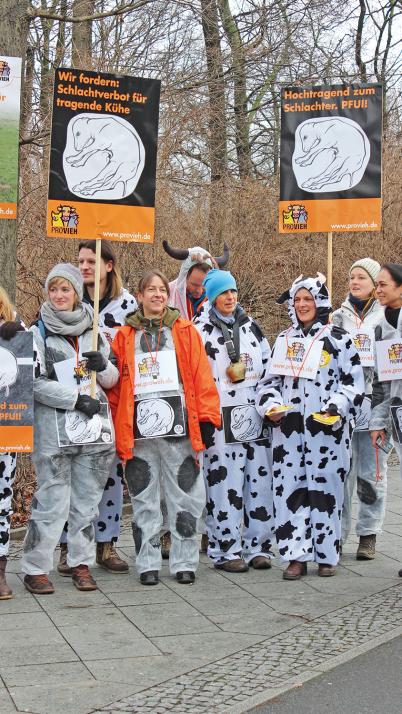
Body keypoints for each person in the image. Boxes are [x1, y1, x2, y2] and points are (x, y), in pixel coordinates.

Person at [108, 269, 221, 586]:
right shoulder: (124, 336)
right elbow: (115, 388)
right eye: (150, 290)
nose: (157, 294)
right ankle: (147, 562)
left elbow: (201, 376)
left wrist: (208, 418)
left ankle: (185, 561)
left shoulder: (184, 331)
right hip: (140, 435)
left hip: (179, 431)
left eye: (161, 289)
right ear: (140, 295)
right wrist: (117, 427)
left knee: (185, 499)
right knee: (144, 501)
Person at [257, 274, 365, 579]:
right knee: (291, 491)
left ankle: (327, 554)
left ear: (320, 303)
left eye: (308, 299)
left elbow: (354, 383)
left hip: (326, 433)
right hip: (288, 434)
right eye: (298, 300)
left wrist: (337, 406)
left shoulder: (339, 338)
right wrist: (270, 405)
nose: (303, 304)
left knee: (327, 492)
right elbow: (267, 384)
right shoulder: (283, 340)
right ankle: (296, 556)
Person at [21, 264, 118, 594]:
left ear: (77, 293)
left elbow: (113, 379)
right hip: (55, 434)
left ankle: (81, 564)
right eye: (53, 290)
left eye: (65, 290)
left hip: (94, 432)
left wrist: (103, 366)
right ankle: (35, 567)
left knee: (87, 504)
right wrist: (74, 398)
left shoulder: (94, 331)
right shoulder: (37, 334)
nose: (59, 296)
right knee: (51, 502)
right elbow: (33, 383)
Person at [58, 240, 137, 576]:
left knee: (110, 477)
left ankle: (107, 543)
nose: (84, 267)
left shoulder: (126, 305)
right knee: (72, 477)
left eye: (91, 260)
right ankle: (66, 546)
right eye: (80, 261)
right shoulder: (67, 299)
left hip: (114, 400)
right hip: (73, 400)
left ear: (108, 264)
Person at [194, 269, 274, 572]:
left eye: (233, 291)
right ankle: (226, 549)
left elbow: (270, 372)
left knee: (259, 483)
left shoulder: (252, 328)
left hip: (254, 417)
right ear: (212, 296)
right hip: (218, 421)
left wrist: (271, 405)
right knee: (222, 486)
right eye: (223, 292)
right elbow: (192, 377)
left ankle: (259, 545)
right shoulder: (198, 329)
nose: (230, 297)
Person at [332, 258, 390, 560]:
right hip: (346, 405)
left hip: (377, 402)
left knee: (371, 474)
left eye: (361, 277)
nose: (355, 282)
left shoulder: (387, 317)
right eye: (351, 277)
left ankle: (368, 535)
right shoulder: (337, 317)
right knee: (341, 473)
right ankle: (336, 535)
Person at [369, 263, 402, 578]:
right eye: (376, 284)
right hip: (397, 412)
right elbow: (380, 381)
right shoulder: (380, 327)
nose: (378, 289)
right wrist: (377, 421)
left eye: (383, 284)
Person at [0, 288, 26, 599]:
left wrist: (15, 338)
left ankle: (1, 567)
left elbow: (30, 371)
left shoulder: (16, 331)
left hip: (4, 430)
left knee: (1, 502)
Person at [162, 240, 229, 320]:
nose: (199, 291)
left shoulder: (218, 297)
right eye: (194, 285)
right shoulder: (166, 293)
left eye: (204, 285)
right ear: (184, 276)